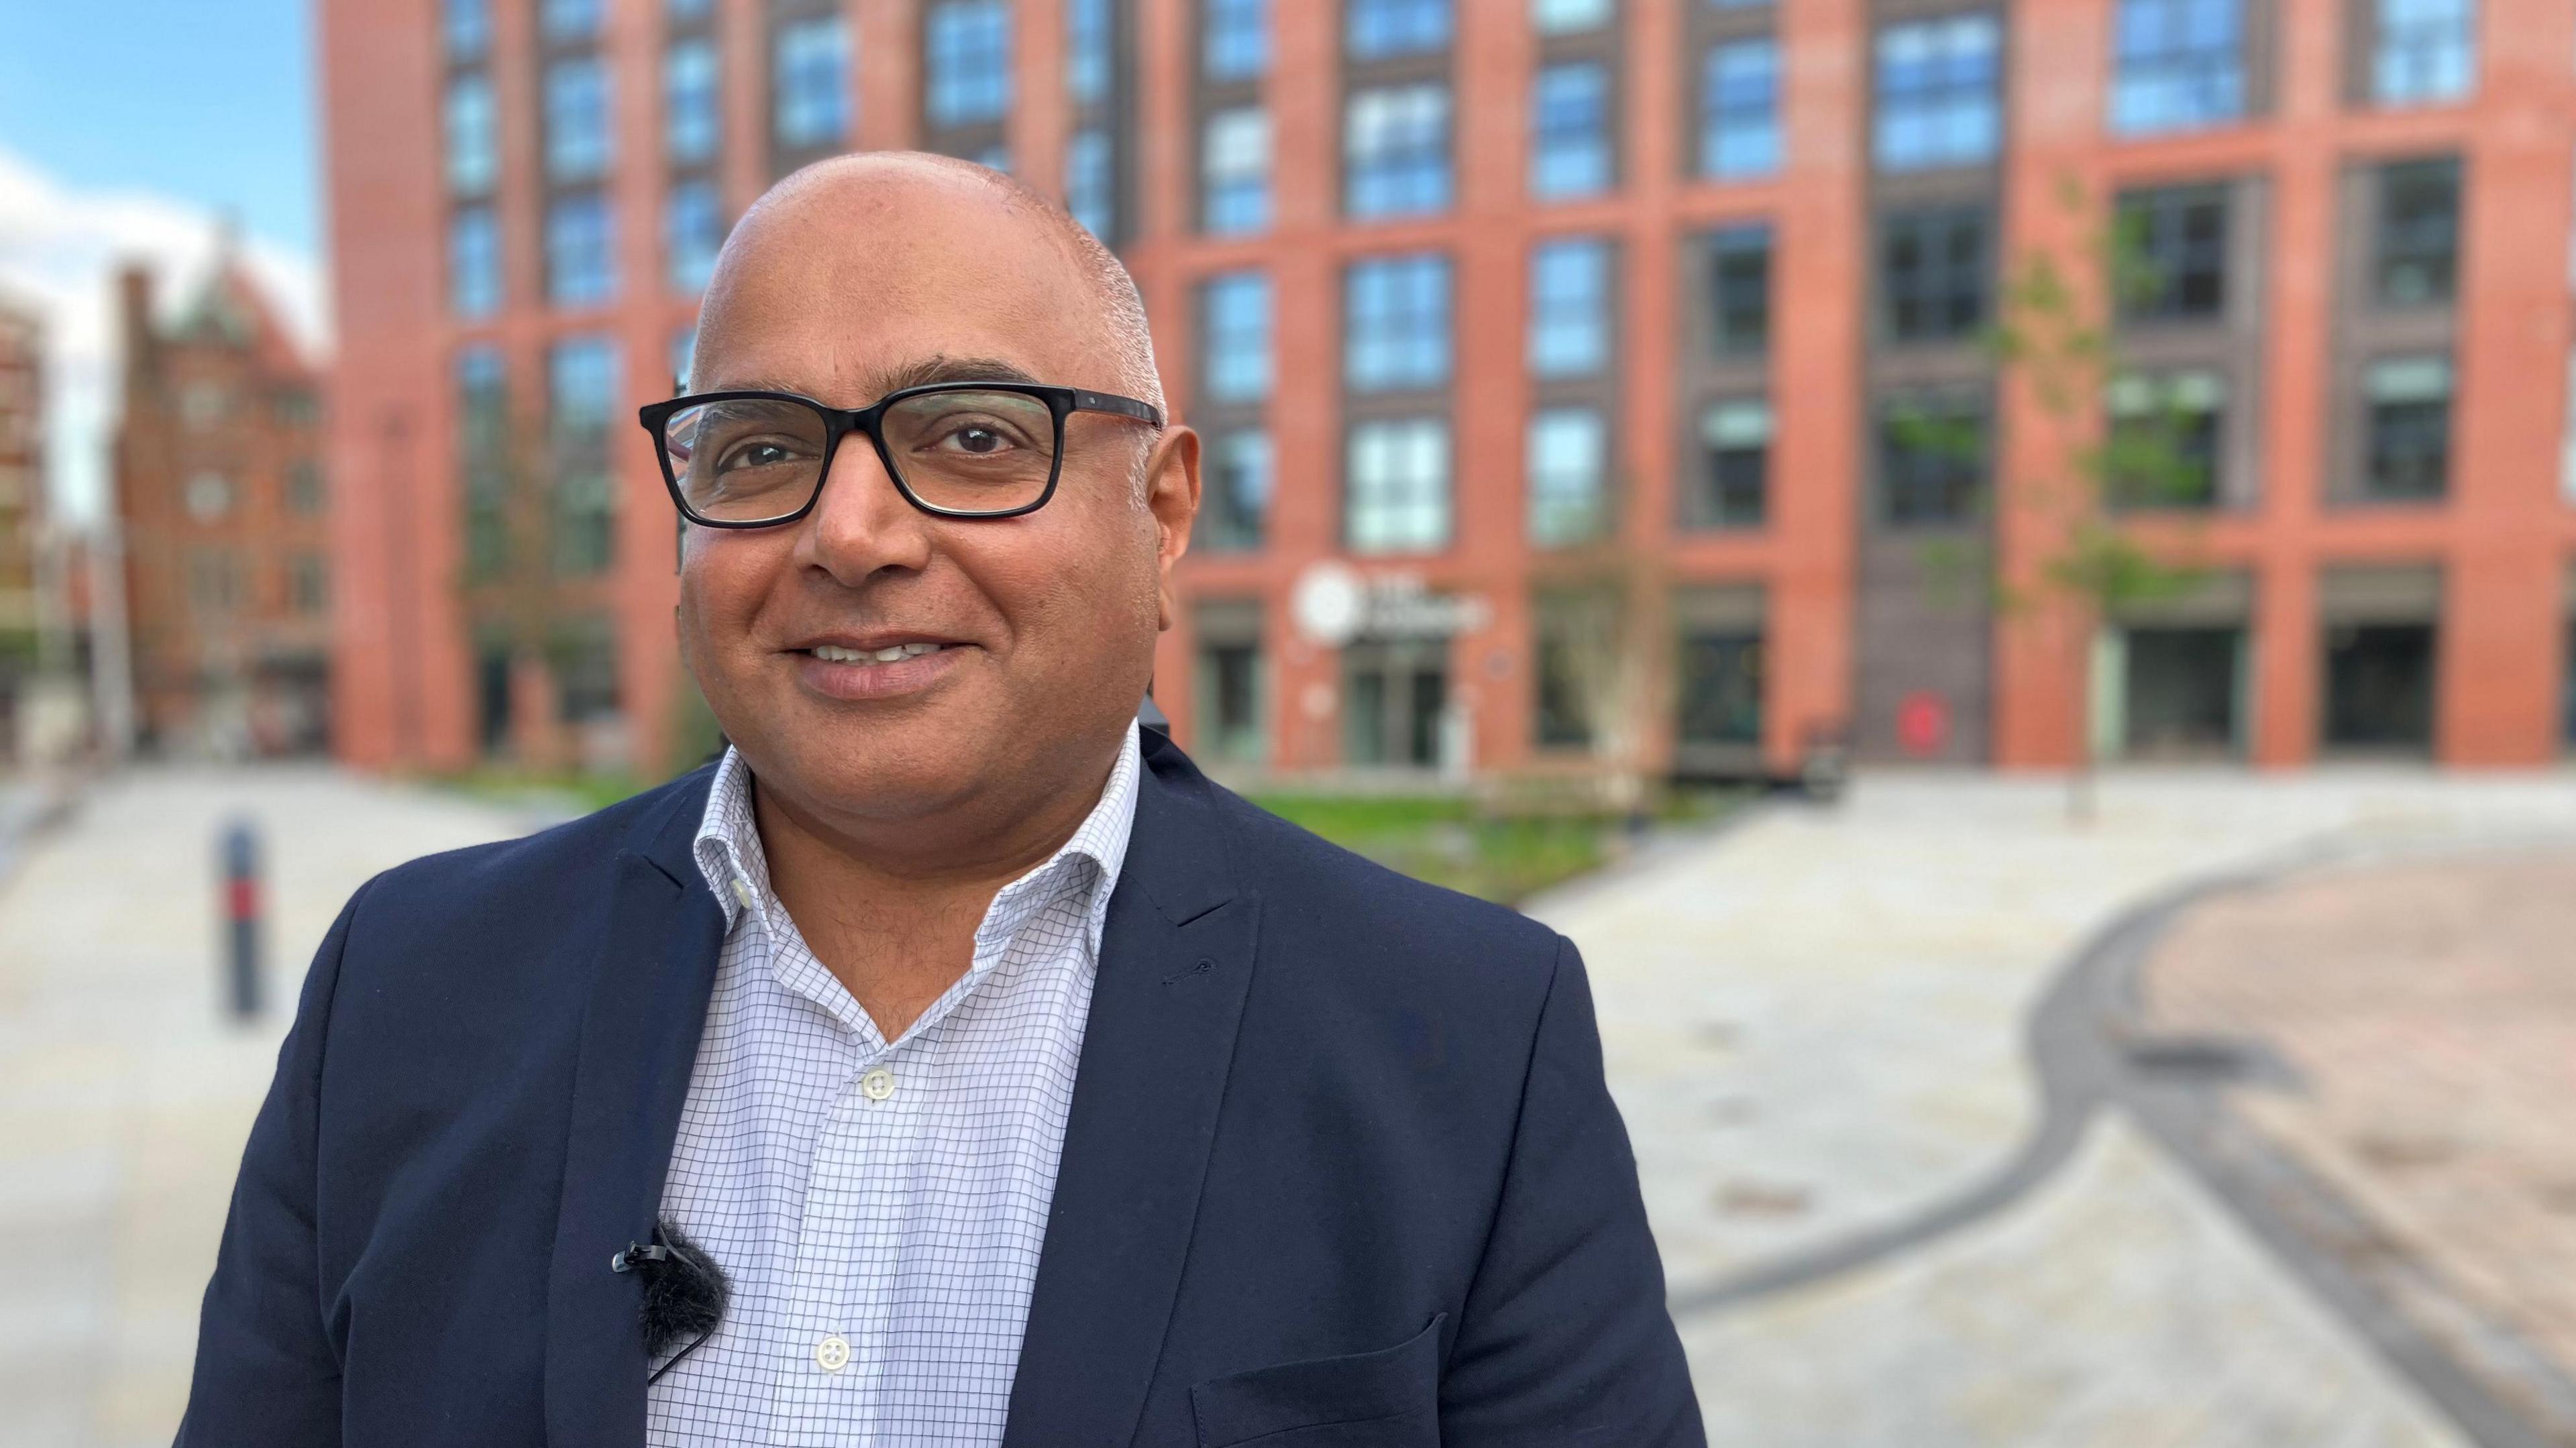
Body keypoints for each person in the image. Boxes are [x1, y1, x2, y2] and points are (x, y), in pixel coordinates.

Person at [177, 153, 1703, 1448]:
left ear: (1164, 511)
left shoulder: (1466, 1042)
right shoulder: (411, 986)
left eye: (972, 438)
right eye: (763, 447)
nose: (851, 531)